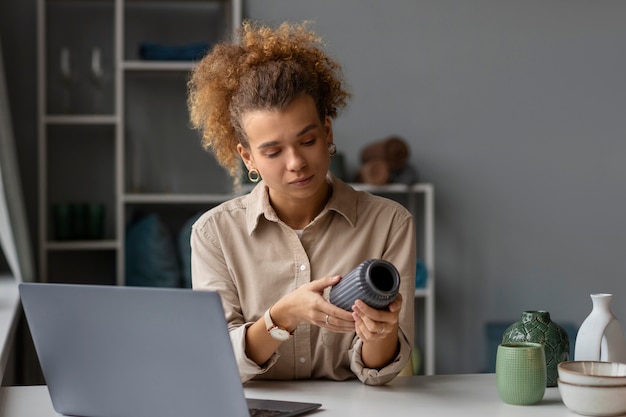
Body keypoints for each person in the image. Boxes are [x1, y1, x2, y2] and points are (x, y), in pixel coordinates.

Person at [187, 20, 416, 386]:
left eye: (307, 141)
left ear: (327, 132)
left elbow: (380, 372)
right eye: (273, 151)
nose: (295, 163)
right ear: (248, 158)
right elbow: (218, 361)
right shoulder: (215, 233)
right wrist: (283, 317)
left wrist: (381, 334)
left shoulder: (389, 223)